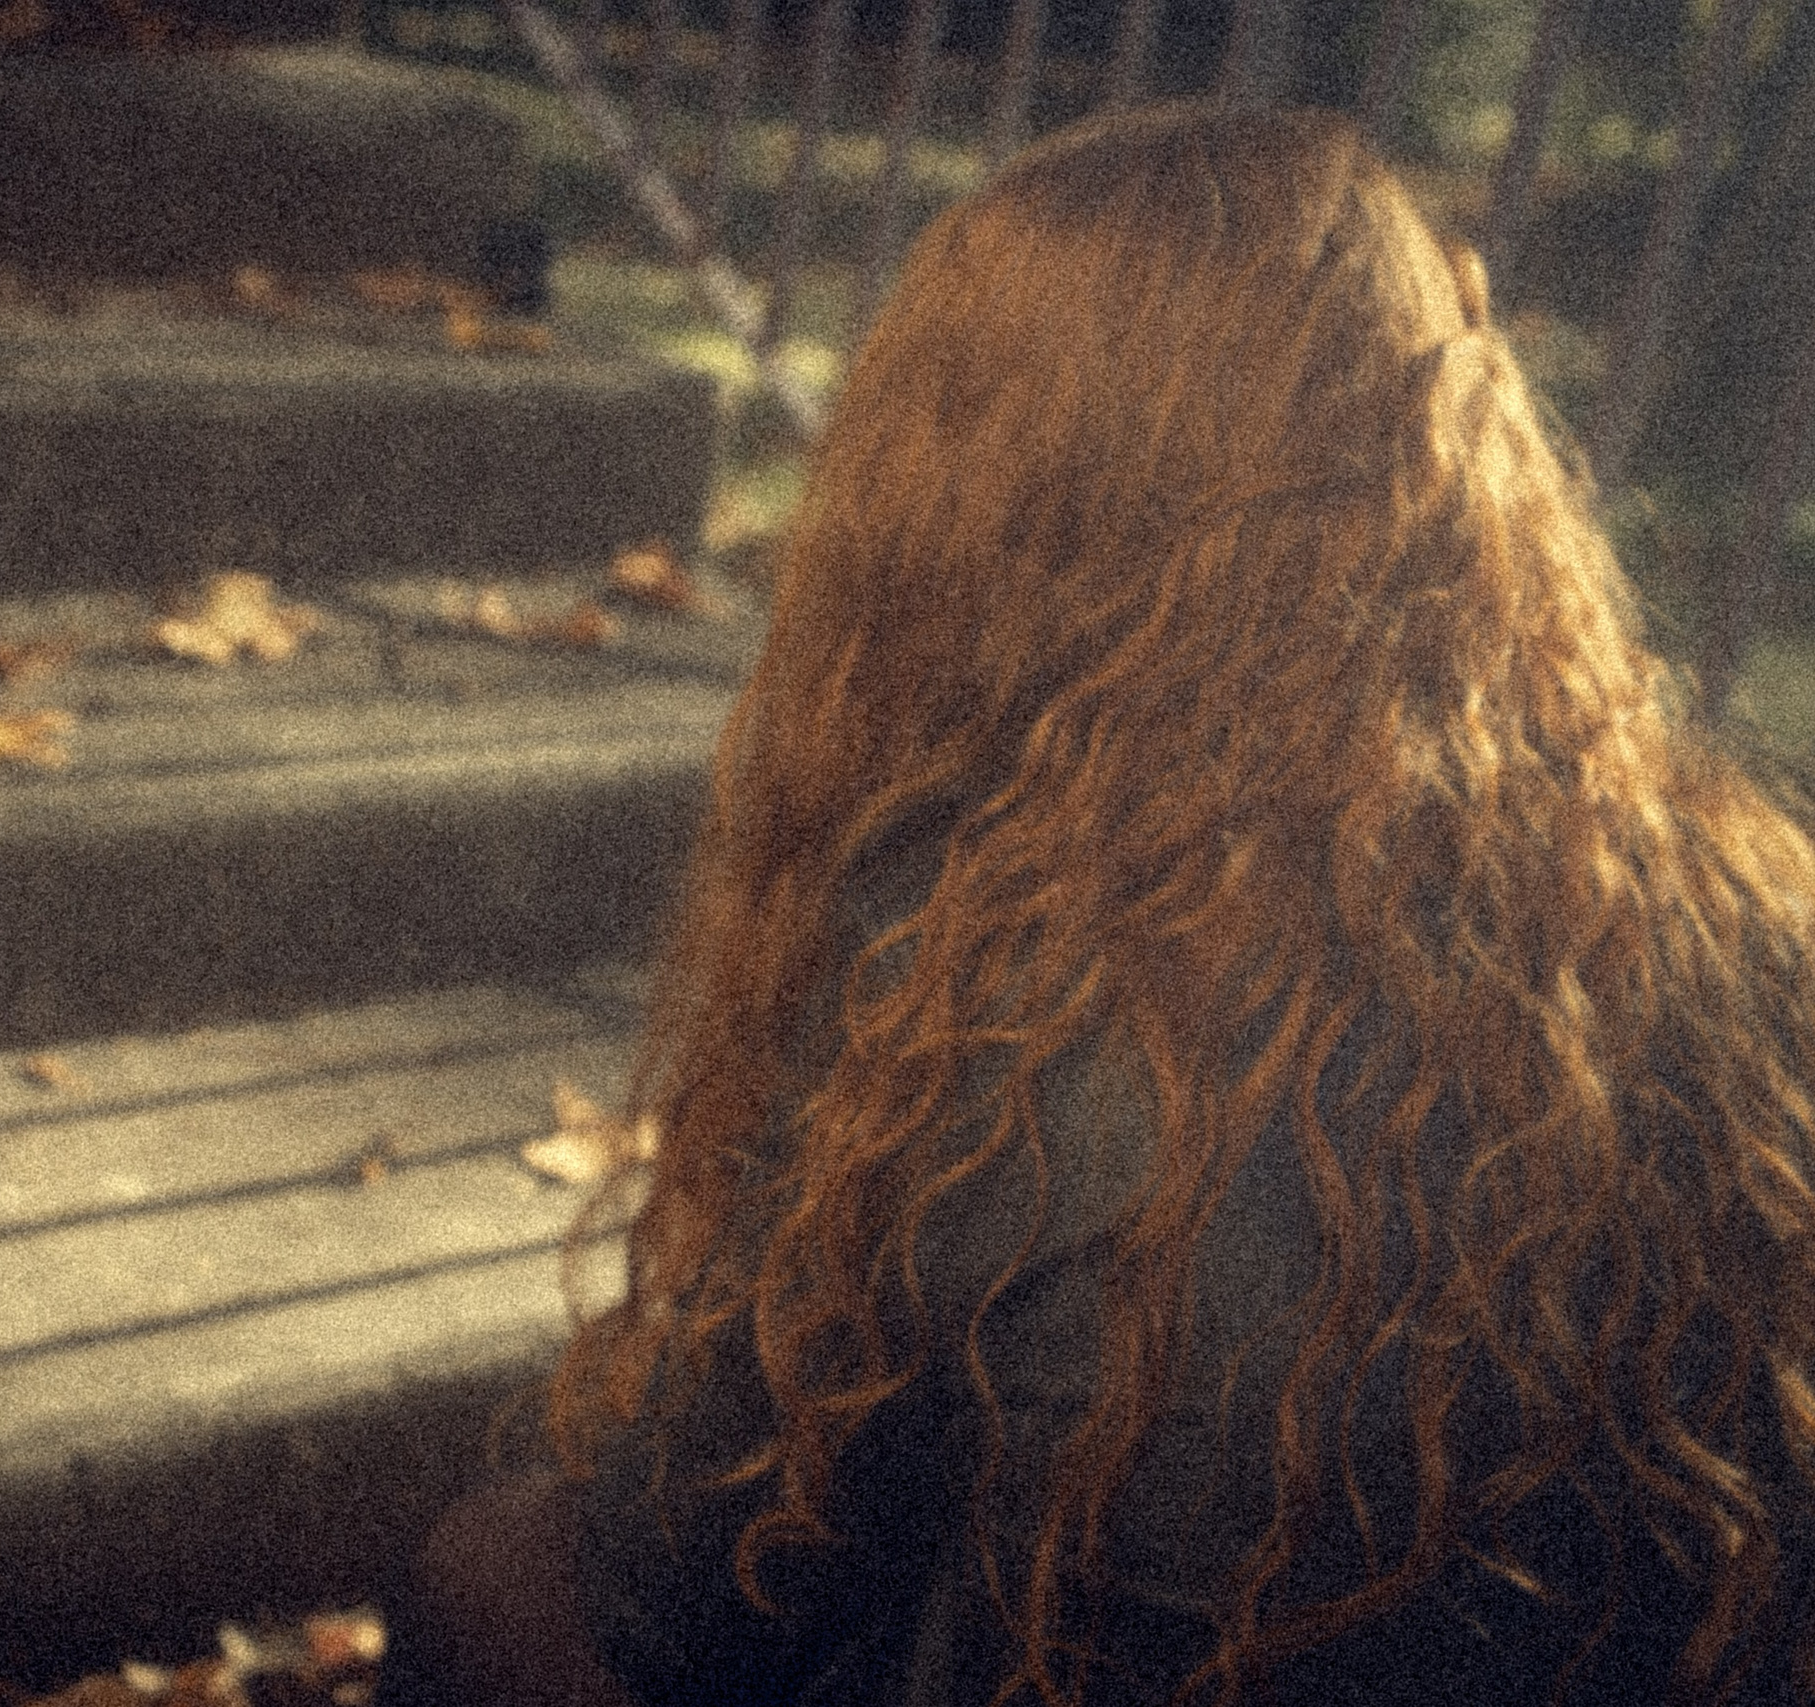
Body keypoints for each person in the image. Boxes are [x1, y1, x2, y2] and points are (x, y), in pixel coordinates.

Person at [380, 100, 1815, 1705]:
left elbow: (688, 1600)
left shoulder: (983, 971)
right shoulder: (1748, 913)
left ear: (970, 496)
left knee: (486, 1570)